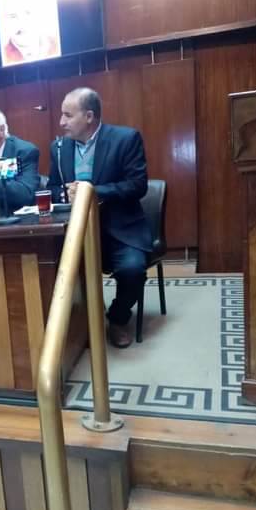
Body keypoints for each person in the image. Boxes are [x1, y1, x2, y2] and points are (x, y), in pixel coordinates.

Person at [47, 88, 152, 348]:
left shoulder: (125, 139)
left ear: (89, 116)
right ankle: (80, 322)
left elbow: (137, 185)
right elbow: (53, 187)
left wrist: (93, 191)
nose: (61, 122)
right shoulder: (58, 147)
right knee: (49, 266)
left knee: (132, 270)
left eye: (67, 115)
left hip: (120, 229)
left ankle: (117, 319)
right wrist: (64, 193)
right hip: (76, 231)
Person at [0, 0, 60, 66]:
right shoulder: (3, 56)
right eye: (13, 16)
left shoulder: (56, 44)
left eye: (27, 13)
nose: (21, 22)